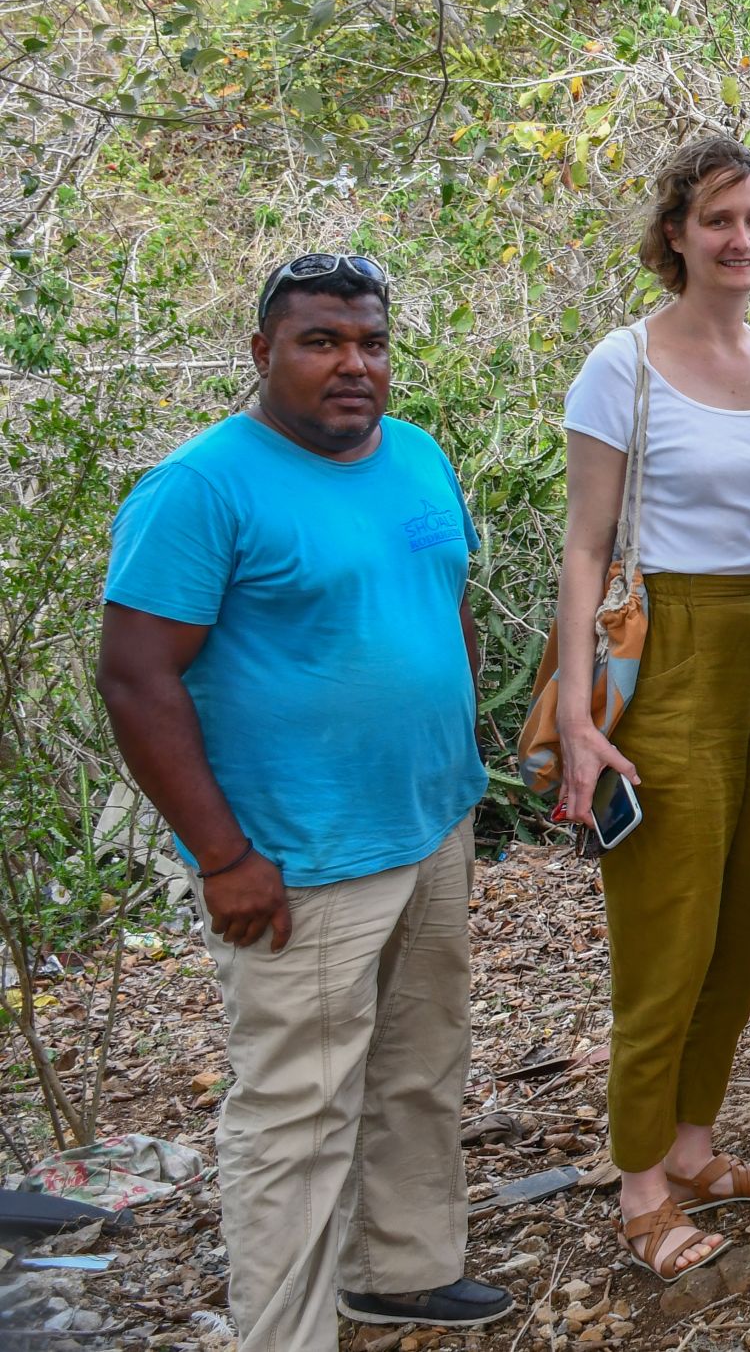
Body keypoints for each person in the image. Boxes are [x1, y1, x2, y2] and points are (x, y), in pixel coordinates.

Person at [97, 255, 513, 1348]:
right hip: (297, 855)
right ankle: (283, 1335)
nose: (351, 365)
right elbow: (136, 674)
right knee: (295, 1113)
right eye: (321, 342)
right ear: (263, 354)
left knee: (422, 1061)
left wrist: (462, 740)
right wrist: (222, 855)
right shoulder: (202, 487)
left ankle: (402, 1268)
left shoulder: (420, 458)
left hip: (429, 823)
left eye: (369, 342)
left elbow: (445, 603)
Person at [554, 136, 750, 1281]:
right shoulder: (621, 363)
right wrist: (576, 713)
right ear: (675, 233)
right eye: (719, 219)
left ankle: (699, 1147)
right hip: (662, 654)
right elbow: (584, 546)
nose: (742, 239)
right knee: (668, 926)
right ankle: (641, 1188)